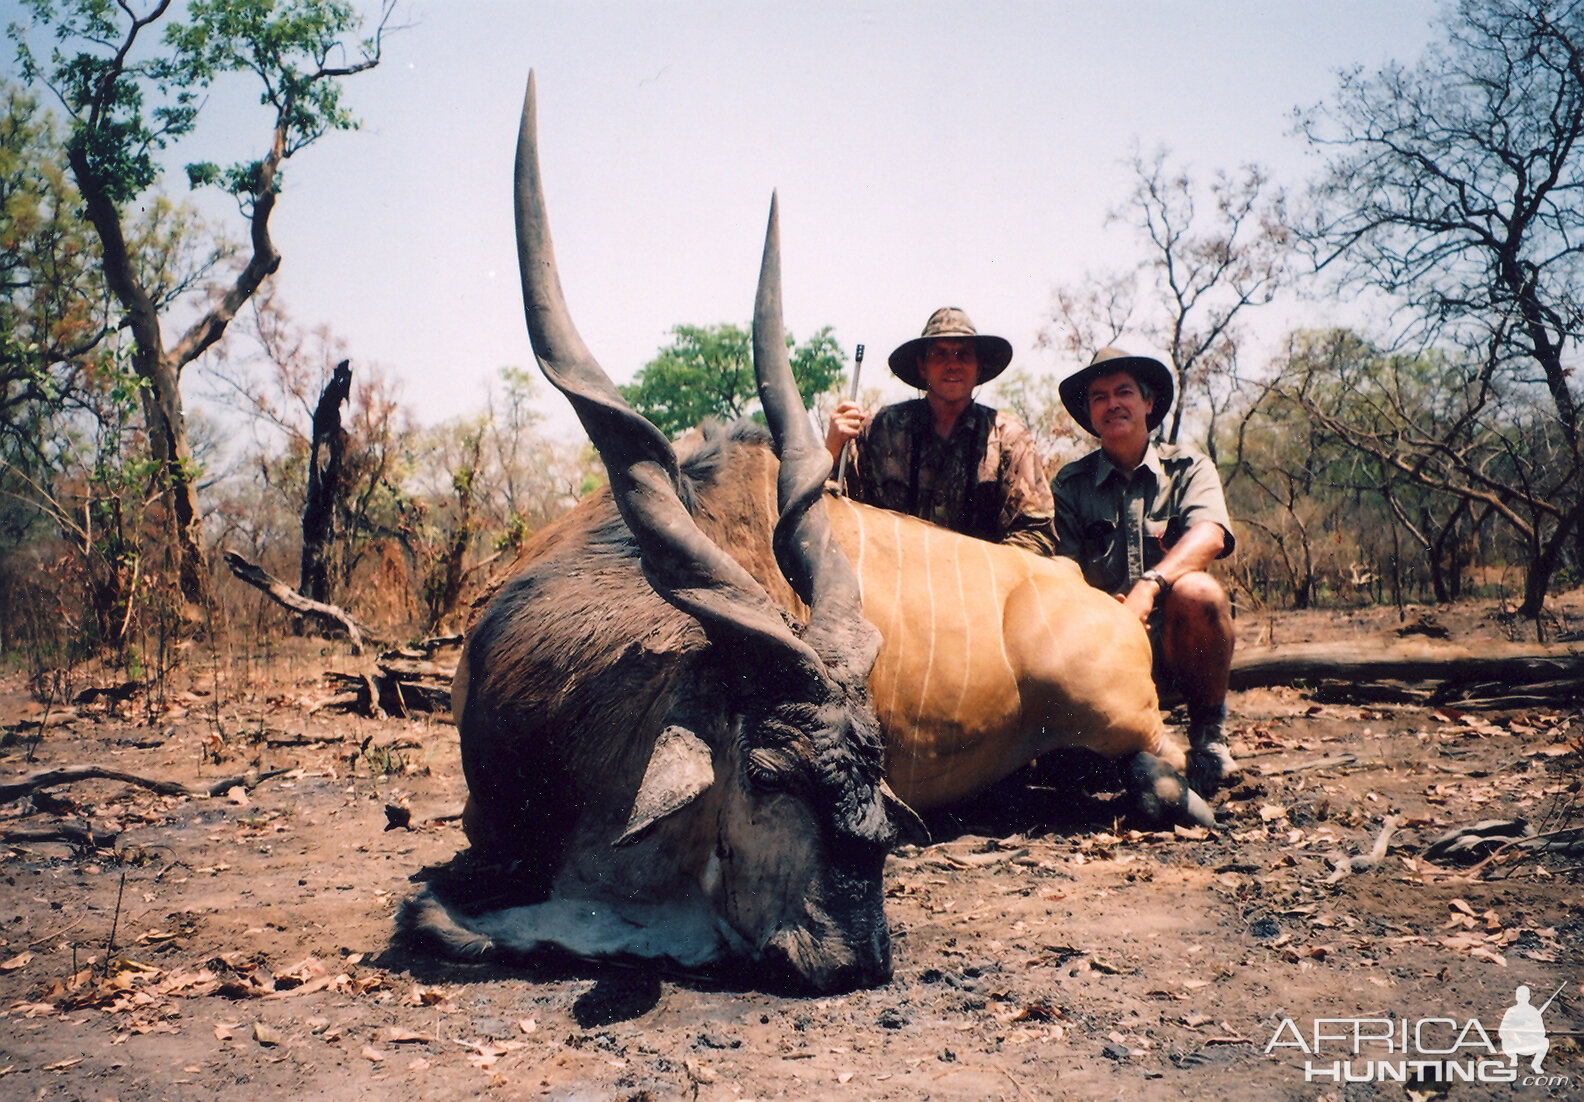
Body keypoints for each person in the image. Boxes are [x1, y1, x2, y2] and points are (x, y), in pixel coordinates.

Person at [1051, 347, 1238, 792]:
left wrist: (1150, 587)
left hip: (1173, 645)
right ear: (1090, 413)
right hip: (1102, 649)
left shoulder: (1189, 468)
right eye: (1099, 397)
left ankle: (1209, 737)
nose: (1112, 403)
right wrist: (1097, 608)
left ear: (1148, 403)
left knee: (1201, 593)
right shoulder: (1068, 485)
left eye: (1124, 392)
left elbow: (1211, 534)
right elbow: (1060, 567)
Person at [824, 307, 1056, 556]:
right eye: (940, 354)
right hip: (890, 578)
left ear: (979, 368)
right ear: (922, 367)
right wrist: (831, 450)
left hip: (977, 585)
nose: (953, 364)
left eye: (964, 355)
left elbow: (1036, 533)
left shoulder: (1009, 439)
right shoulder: (879, 429)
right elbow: (834, 506)